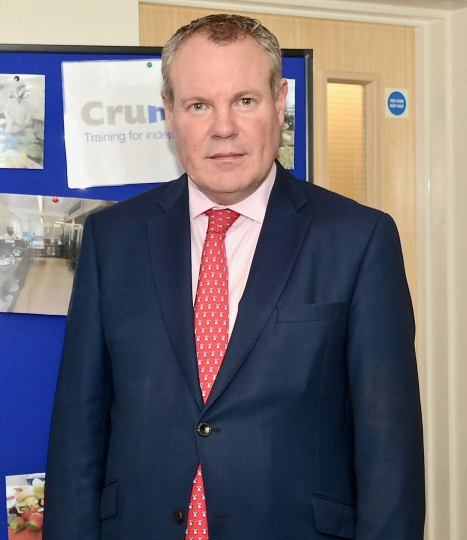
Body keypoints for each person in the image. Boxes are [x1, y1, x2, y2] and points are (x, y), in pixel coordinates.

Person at [44, 14, 424, 540]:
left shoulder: (358, 240)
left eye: (244, 100)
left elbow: (391, 453)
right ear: (170, 115)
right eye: (199, 105)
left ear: (280, 101)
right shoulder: (113, 239)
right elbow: (76, 433)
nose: (223, 127)